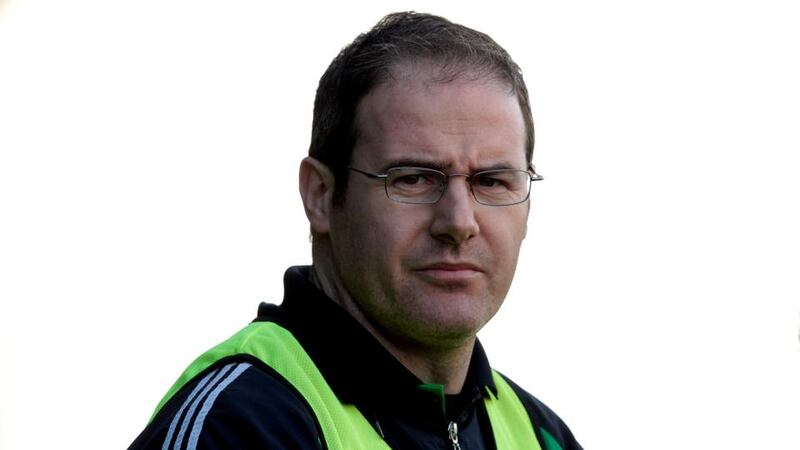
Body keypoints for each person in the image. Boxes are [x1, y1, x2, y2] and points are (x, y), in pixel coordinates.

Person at [130, 11, 582, 450]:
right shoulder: (237, 425)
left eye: (492, 181)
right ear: (321, 197)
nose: (459, 223)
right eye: (413, 178)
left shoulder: (541, 436)